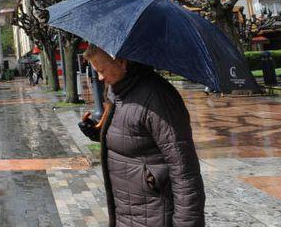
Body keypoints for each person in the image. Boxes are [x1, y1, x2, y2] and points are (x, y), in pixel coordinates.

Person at [79, 44, 205, 227]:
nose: (100, 77)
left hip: (154, 214)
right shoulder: (118, 91)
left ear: (122, 62)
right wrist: (97, 133)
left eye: (102, 70)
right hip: (127, 212)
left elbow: (184, 172)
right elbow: (131, 138)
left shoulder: (157, 98)